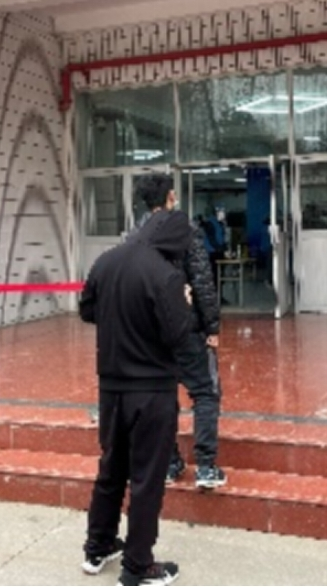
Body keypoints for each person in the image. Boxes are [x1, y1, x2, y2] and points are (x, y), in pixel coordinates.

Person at [79, 210, 194, 586]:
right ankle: (138, 566)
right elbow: (179, 334)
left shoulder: (106, 260)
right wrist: (185, 304)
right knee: (147, 479)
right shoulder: (165, 274)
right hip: (152, 391)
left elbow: (87, 311)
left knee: (111, 468)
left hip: (111, 388)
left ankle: (97, 547)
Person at [132, 174, 226, 490]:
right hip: (186, 327)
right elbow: (201, 280)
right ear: (170, 196)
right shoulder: (185, 230)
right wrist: (212, 325)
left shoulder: (135, 236)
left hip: (151, 331)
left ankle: (170, 463)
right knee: (205, 391)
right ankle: (206, 467)